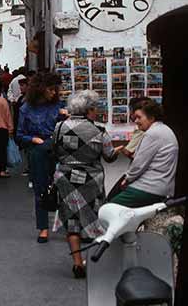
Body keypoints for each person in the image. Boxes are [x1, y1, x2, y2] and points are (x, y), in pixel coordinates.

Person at [53, 90, 117, 279]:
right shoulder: (99, 130)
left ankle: (77, 263)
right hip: (91, 179)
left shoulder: (60, 127)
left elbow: (55, 150)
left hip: (66, 178)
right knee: (95, 218)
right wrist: (121, 150)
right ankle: (95, 261)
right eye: (95, 108)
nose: (96, 111)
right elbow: (109, 156)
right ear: (89, 109)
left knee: (71, 220)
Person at [17, 72, 67, 243]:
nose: (54, 92)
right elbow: (19, 135)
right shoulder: (25, 109)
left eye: (55, 89)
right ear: (41, 89)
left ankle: (69, 227)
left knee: (65, 188)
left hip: (58, 150)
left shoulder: (59, 106)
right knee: (41, 189)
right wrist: (33, 139)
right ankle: (43, 228)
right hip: (38, 152)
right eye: (51, 89)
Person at [110, 99, 179, 208]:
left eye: (139, 117)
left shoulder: (153, 133)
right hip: (160, 187)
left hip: (149, 187)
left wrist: (127, 179)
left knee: (109, 208)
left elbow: (139, 164)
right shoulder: (163, 130)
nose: (136, 121)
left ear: (151, 118)